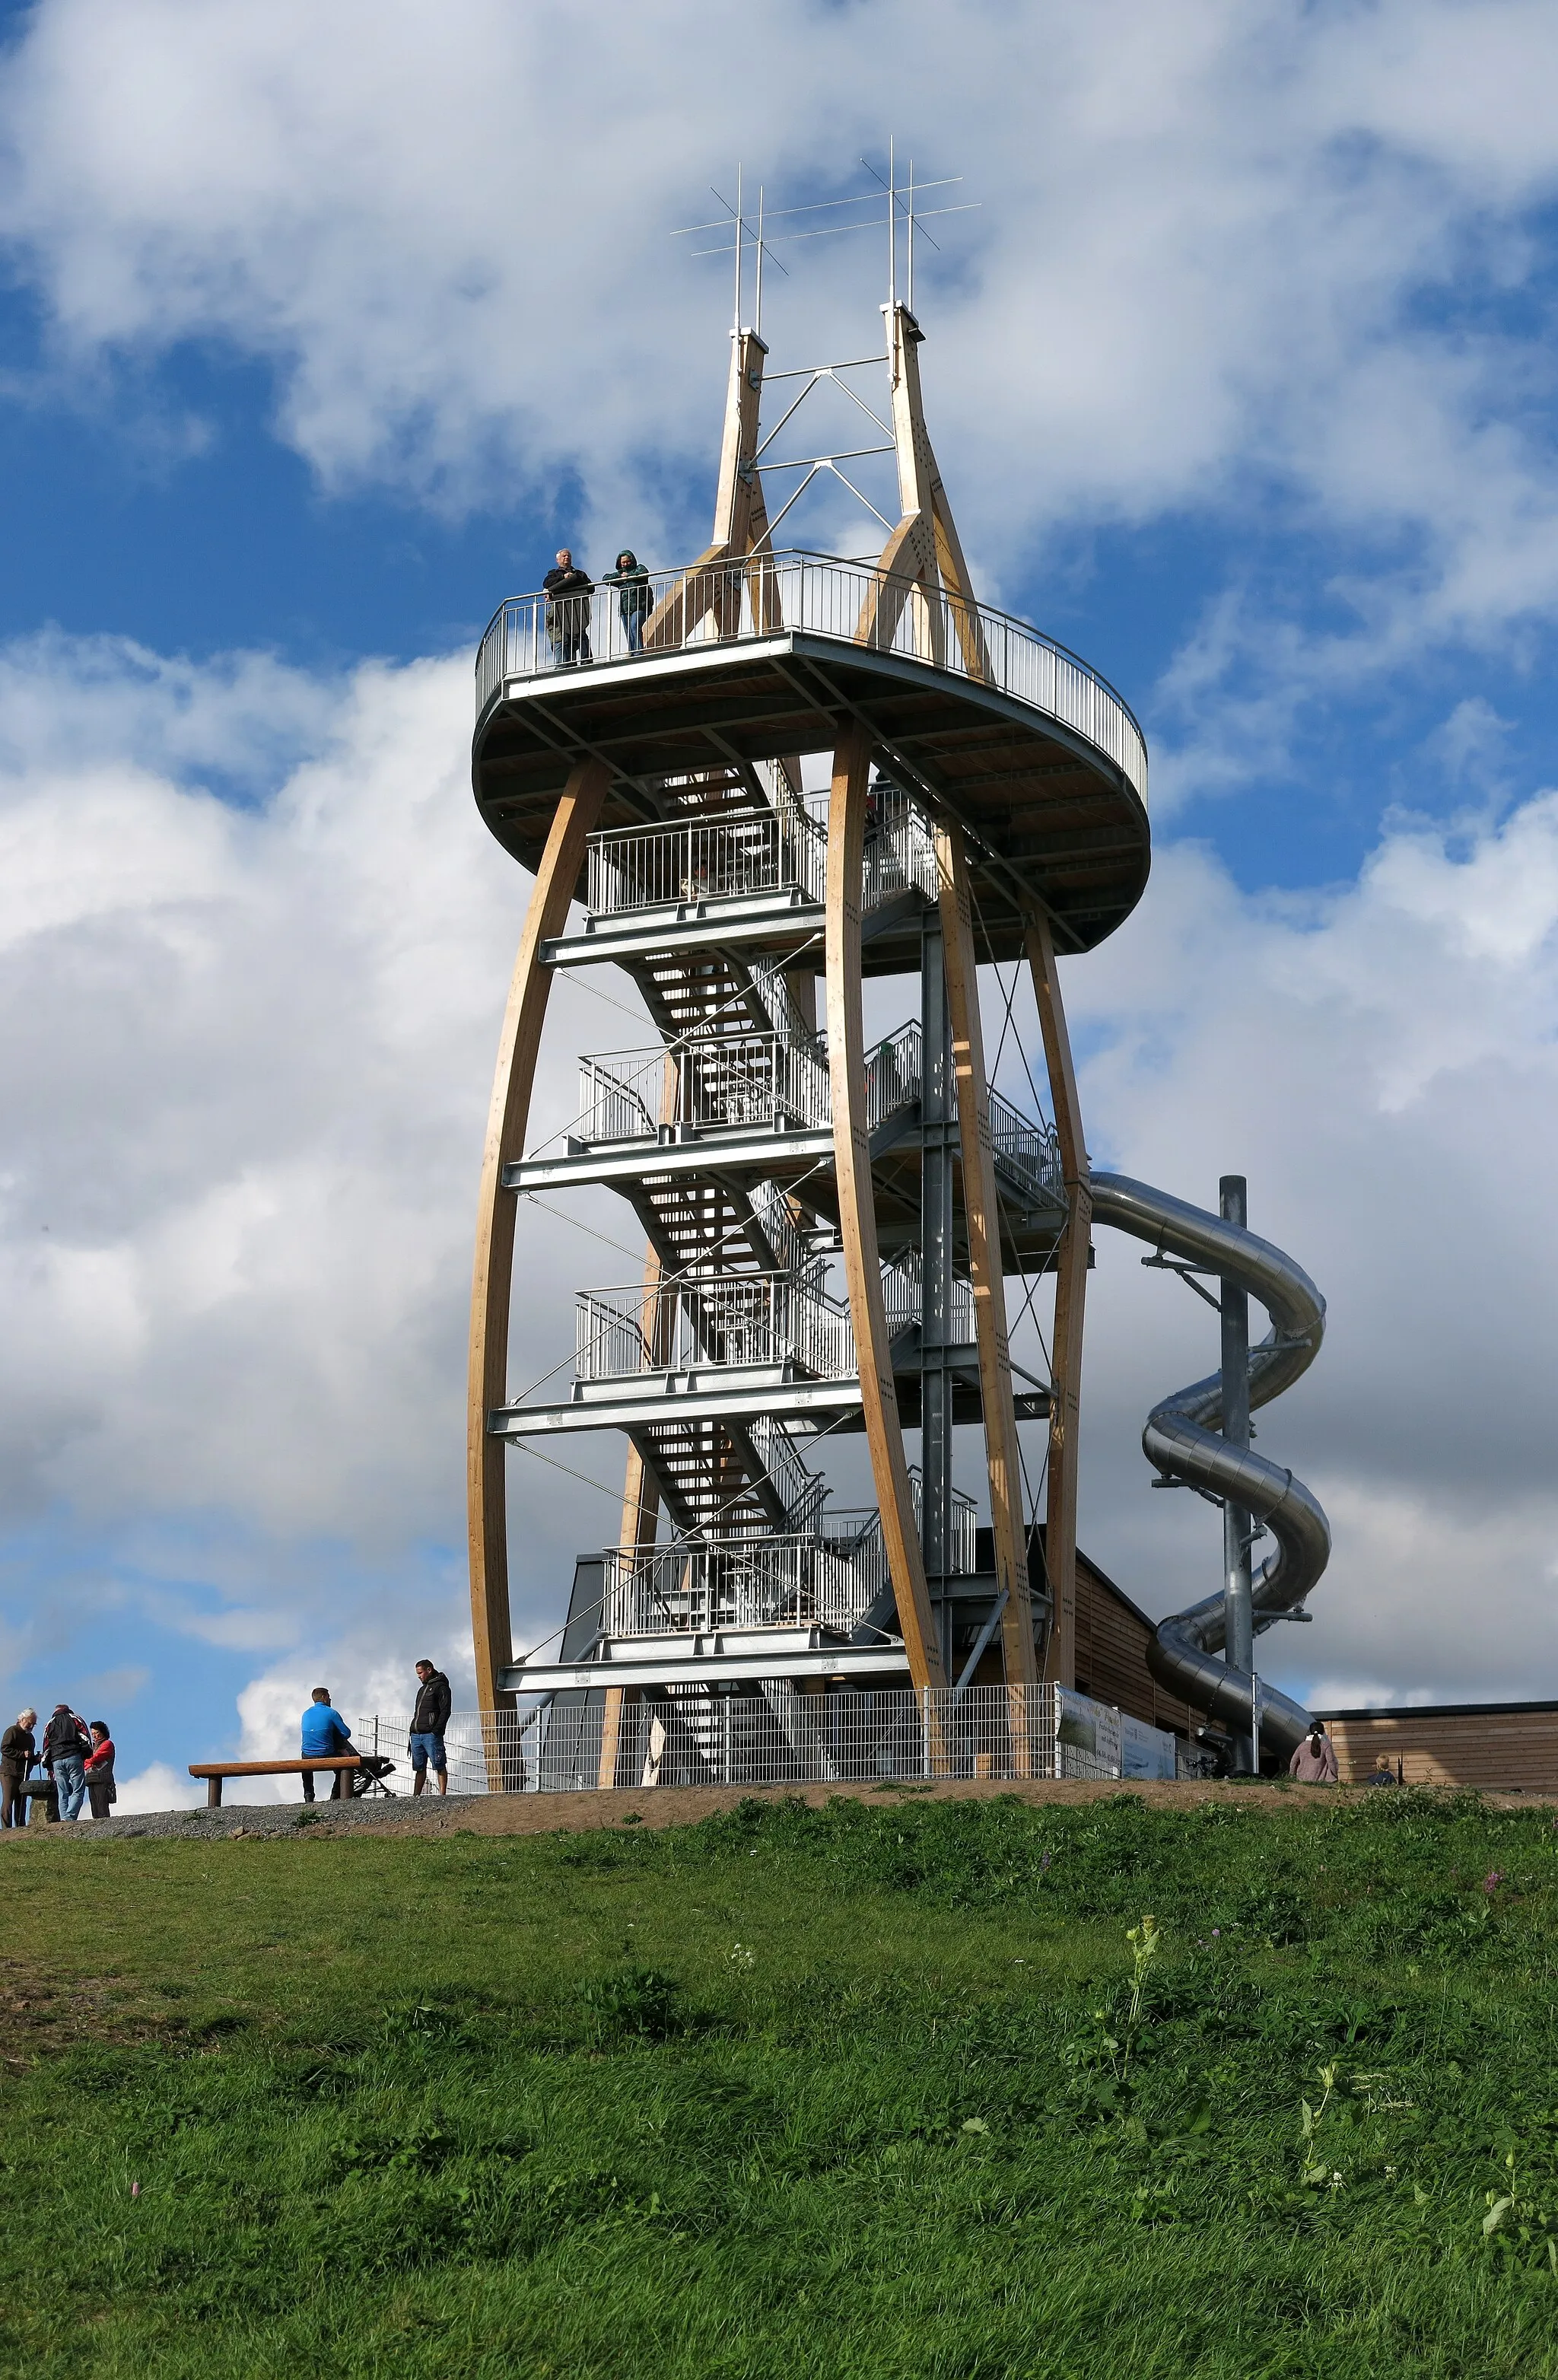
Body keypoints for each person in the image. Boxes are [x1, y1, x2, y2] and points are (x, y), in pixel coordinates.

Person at [300, 1687, 356, 1803]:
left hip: (308, 1754)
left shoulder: (306, 1714)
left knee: (305, 1766)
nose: (330, 1699)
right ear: (324, 1698)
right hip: (327, 1753)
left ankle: (308, 1794)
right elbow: (346, 1733)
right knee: (343, 1766)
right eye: (329, 1697)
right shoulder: (331, 1713)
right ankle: (336, 1794)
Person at [542, 549, 593, 666]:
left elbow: (591, 588)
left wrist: (574, 579)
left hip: (577, 606)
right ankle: (569, 663)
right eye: (564, 556)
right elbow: (547, 584)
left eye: (569, 556)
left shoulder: (580, 573)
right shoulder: (554, 574)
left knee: (581, 633)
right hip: (562, 608)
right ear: (558, 559)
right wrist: (563, 578)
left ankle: (586, 660)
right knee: (565, 637)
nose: (567, 558)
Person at [409, 1659, 452, 1797]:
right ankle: (416, 1796)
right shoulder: (422, 1689)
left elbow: (446, 1711)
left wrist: (437, 1731)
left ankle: (442, 1795)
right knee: (419, 1767)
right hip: (416, 1734)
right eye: (418, 1674)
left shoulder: (442, 1687)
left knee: (439, 1764)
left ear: (429, 1670)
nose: (419, 1676)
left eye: (420, 1673)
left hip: (431, 1734)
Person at [43, 1702, 91, 1822]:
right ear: (68, 1710)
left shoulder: (50, 1724)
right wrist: (86, 1754)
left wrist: (48, 1766)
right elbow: (85, 1738)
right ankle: (69, 1817)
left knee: (62, 1793)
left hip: (57, 1760)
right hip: (73, 1756)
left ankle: (64, 1818)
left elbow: (46, 1747)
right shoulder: (75, 1719)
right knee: (78, 1790)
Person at [603, 549, 652, 653]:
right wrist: (620, 576)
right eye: (623, 563)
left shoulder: (639, 568)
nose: (625, 564)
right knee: (629, 631)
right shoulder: (620, 574)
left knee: (634, 625)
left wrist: (628, 576)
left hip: (640, 605)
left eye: (627, 562)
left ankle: (638, 652)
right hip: (625, 608)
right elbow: (605, 579)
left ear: (632, 560)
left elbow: (643, 573)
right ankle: (632, 651)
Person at [1, 1708, 36, 1829]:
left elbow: (29, 1757)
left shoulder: (30, 1738)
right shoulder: (12, 1731)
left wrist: (35, 1759)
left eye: (33, 1724)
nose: (31, 1726)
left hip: (23, 1774)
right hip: (9, 1772)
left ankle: (20, 1827)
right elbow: (4, 1748)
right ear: (22, 1719)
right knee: (8, 1801)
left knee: (21, 1802)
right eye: (29, 1723)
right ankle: (6, 1829)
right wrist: (21, 1754)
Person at [1288, 1719, 1339, 1783]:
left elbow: (1293, 1761)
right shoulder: (1326, 1745)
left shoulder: (1302, 1746)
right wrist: (1335, 1774)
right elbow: (1331, 1762)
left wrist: (1291, 1776)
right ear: (1323, 1731)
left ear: (1310, 1731)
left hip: (1302, 1781)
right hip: (1322, 1781)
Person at [84, 1721, 116, 1818]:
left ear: (103, 1732)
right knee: (94, 1804)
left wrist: (88, 1761)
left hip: (102, 1778)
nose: (94, 1736)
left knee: (101, 1803)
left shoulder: (107, 1744)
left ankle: (104, 1824)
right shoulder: (92, 1746)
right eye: (93, 1733)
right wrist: (88, 1762)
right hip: (91, 1778)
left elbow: (97, 1758)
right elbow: (86, 1764)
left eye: (96, 1733)